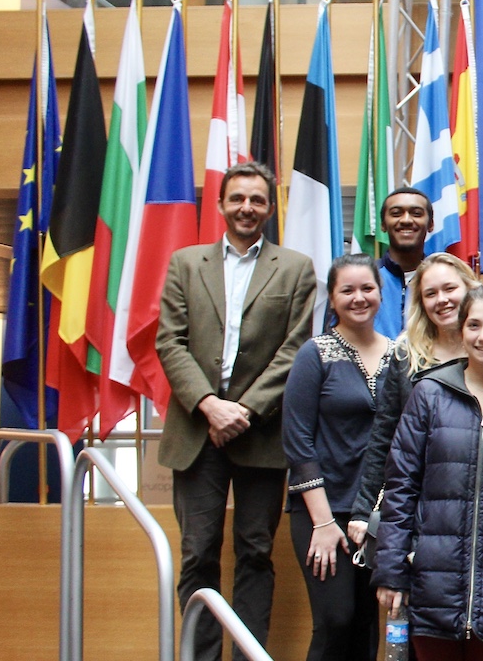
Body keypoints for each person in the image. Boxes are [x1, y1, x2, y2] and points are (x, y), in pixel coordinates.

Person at [156, 161, 317, 661]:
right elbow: (169, 342)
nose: (247, 207)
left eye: (257, 199)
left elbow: (295, 350)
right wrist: (209, 405)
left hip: (260, 433)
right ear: (222, 204)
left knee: (255, 552)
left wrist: (241, 410)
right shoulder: (186, 263)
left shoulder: (295, 268)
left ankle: (250, 655)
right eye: (238, 198)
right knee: (198, 554)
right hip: (196, 431)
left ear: (271, 208)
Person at [373, 285, 483, 659]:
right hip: (430, 582)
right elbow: (401, 486)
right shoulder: (428, 394)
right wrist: (391, 570)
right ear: (461, 330)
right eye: (474, 325)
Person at [282, 254, 398, 661]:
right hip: (322, 512)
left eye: (367, 288)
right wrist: (324, 522)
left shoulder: (399, 356)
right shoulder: (313, 355)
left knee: (367, 623)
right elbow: (297, 442)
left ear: (380, 294)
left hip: (376, 512)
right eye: (347, 290)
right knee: (336, 619)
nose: (358, 297)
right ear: (332, 299)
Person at [349, 252, 476, 526]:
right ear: (421, 302)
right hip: (419, 501)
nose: (442, 300)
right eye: (431, 293)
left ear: (469, 289)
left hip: (479, 497)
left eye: (450, 288)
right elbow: (384, 435)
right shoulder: (407, 355)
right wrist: (363, 509)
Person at [373, 186, 434, 338]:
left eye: (416, 213)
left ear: (431, 224)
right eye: (396, 213)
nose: (406, 220)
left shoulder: (446, 281)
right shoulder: (365, 278)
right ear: (383, 225)